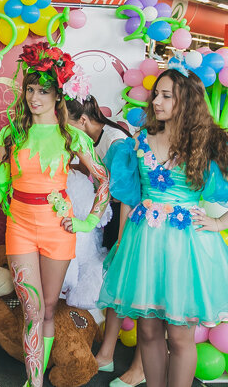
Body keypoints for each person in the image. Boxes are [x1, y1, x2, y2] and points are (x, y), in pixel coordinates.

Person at [97, 68, 228, 387]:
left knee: (180, 336)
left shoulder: (208, 142)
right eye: (156, 94)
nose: (156, 101)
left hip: (185, 246)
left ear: (186, 100)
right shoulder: (139, 140)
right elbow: (129, 195)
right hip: (144, 244)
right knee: (148, 331)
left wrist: (220, 222)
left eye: (166, 96)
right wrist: (123, 241)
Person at [0, 43, 109, 387]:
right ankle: (35, 380)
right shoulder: (12, 133)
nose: (34, 97)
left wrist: (87, 221)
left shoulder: (73, 136)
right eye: (30, 89)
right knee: (31, 309)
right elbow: (1, 182)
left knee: (47, 308)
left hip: (58, 229)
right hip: (20, 227)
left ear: (58, 95)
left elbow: (103, 180)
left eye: (43, 90)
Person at [66, 97, 143, 387]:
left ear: (83, 121)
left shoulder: (115, 143)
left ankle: (138, 365)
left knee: (132, 289)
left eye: (68, 125)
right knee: (115, 286)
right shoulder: (94, 140)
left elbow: (126, 194)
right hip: (112, 218)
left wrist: (122, 239)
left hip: (129, 220)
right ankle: (107, 353)